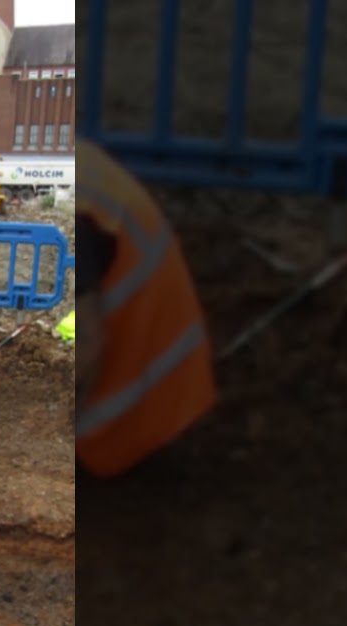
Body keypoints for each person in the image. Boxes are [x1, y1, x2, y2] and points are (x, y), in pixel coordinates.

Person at [73, 138, 218, 478]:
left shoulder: (72, 217)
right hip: (167, 385)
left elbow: (84, 344)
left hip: (129, 419)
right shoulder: (73, 170)